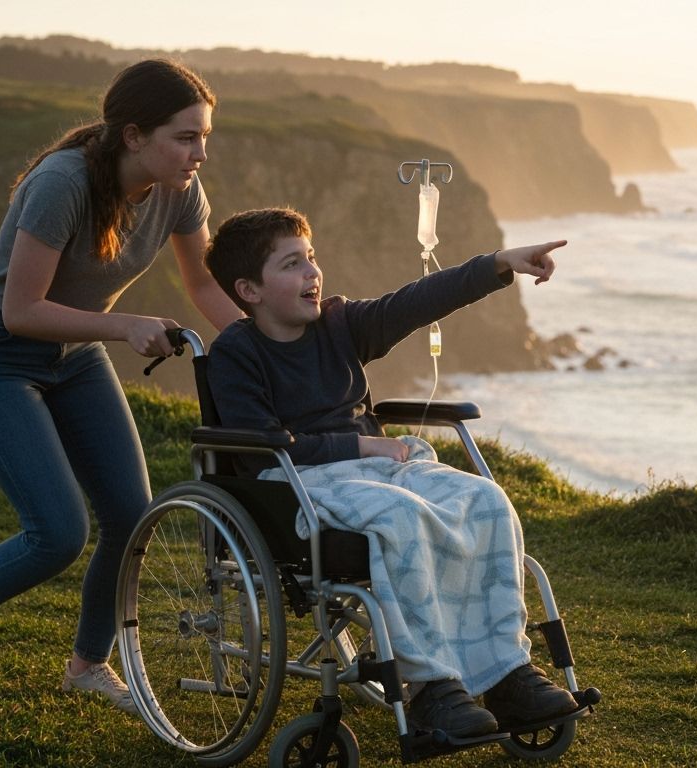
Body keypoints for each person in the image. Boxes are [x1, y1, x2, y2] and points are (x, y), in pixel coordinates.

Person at [0, 59, 243, 714]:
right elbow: (21, 309)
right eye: (186, 137)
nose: (200, 153)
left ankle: (89, 665)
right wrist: (123, 325)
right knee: (58, 532)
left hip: (75, 357)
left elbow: (204, 285)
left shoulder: (180, 191)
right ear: (133, 135)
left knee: (131, 514)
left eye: (204, 137)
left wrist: (268, 347)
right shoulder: (61, 183)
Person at [202, 207, 579, 737]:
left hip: (376, 466)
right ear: (250, 290)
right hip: (294, 482)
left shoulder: (339, 324)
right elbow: (263, 450)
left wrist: (499, 263)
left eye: (311, 258)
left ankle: (506, 674)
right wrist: (358, 444)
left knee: (487, 500)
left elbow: (416, 302)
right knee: (401, 516)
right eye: (292, 265)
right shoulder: (235, 354)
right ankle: (431, 688)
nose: (312, 273)